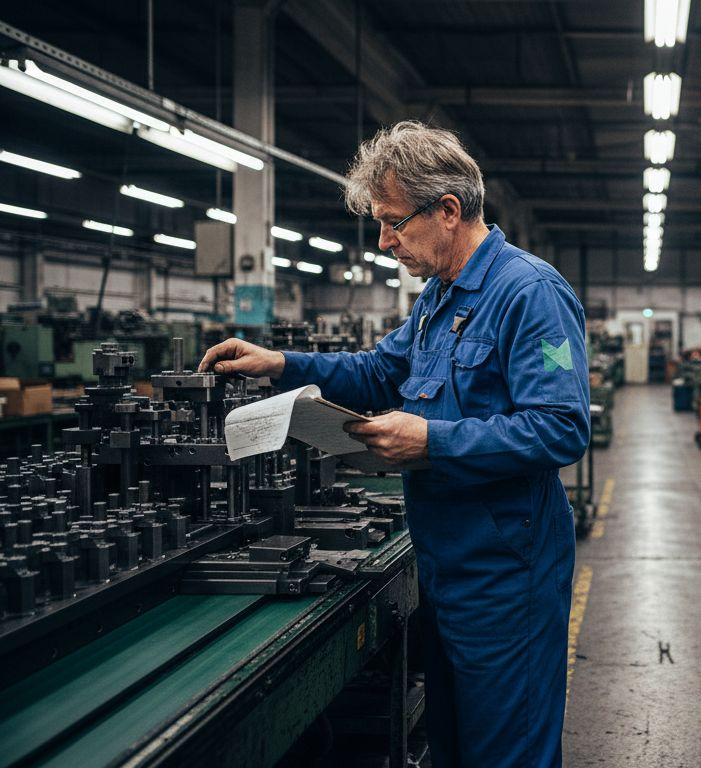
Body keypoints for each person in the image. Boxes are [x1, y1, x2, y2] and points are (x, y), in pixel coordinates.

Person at [198, 120, 590, 767]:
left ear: (447, 210)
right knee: (457, 750)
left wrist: (432, 440)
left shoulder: (530, 293)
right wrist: (280, 364)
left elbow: (562, 426)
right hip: (446, 570)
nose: (384, 242)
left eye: (393, 223)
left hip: (507, 579)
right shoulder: (437, 298)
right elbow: (381, 372)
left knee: (508, 753)